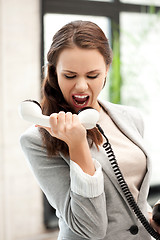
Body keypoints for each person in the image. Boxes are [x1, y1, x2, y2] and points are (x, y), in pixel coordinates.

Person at [20, 20, 160, 239]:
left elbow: (130, 196)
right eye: (70, 76)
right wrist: (77, 145)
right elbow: (89, 228)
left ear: (106, 70)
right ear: (54, 72)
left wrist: (152, 217)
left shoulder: (130, 118)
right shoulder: (37, 139)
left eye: (92, 75)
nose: (81, 86)